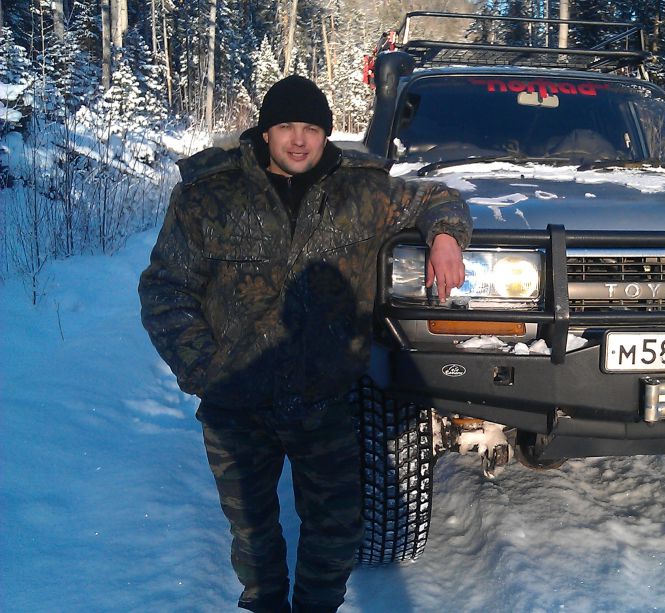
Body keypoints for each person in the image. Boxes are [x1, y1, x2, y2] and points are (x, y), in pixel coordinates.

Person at [138, 75, 472, 613]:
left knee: (336, 528)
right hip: (236, 401)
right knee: (253, 531)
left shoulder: (360, 190)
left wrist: (445, 237)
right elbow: (165, 290)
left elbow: (437, 196)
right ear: (265, 132)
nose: (299, 140)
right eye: (287, 127)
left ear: (326, 134)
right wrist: (206, 369)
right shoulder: (209, 195)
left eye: (312, 129)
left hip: (323, 398)